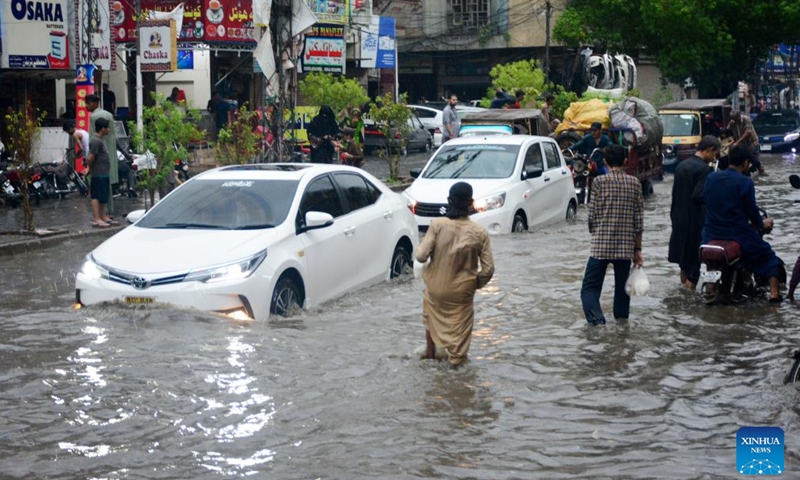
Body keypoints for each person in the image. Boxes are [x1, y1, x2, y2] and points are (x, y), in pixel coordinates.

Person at [415, 182, 495, 366]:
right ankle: (457, 367)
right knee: (460, 335)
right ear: (471, 203)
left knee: (430, 315)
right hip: (462, 293)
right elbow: (488, 269)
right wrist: (474, 284)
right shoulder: (480, 232)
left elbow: (420, 256)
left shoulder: (437, 225)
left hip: (436, 289)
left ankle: (430, 355)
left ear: (449, 201)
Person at [701, 146, 784, 302]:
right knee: (769, 257)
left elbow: (706, 200)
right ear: (746, 163)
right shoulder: (745, 182)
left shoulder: (711, 178)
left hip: (710, 235)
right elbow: (753, 213)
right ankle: (774, 294)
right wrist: (763, 224)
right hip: (738, 235)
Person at [581, 144, 645, 326]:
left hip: (601, 245)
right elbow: (638, 222)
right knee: (622, 291)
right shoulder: (635, 183)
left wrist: (595, 232)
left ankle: (597, 323)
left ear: (606, 162)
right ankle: (621, 328)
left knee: (589, 290)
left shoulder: (599, 182)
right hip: (625, 248)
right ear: (625, 161)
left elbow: (592, 215)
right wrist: (637, 249)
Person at [668, 135, 719, 290]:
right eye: (714, 154)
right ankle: (689, 300)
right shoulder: (704, 170)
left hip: (677, 217)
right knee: (694, 267)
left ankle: (683, 293)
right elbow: (699, 195)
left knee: (684, 263)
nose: (714, 158)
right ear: (709, 150)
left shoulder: (681, 165)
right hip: (694, 221)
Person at [86, 94, 119, 213]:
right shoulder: (109, 115)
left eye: (88, 103)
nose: (86, 106)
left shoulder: (94, 117)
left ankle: (100, 215)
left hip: (98, 158)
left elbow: (91, 138)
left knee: (97, 190)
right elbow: (115, 137)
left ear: (95, 103)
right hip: (109, 155)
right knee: (107, 186)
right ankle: (110, 211)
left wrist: (88, 162)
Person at [86, 118, 118, 228]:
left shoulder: (100, 140)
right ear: (103, 129)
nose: (109, 129)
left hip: (103, 172)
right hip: (98, 173)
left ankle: (102, 216)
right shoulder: (95, 141)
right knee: (96, 195)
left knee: (104, 195)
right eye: (107, 127)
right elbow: (91, 157)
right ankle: (96, 218)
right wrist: (88, 168)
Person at [728, 110, 765, 175]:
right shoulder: (732, 122)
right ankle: (746, 173)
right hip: (742, 145)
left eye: (736, 119)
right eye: (734, 120)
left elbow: (748, 133)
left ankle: (761, 171)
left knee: (755, 159)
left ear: (739, 116)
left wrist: (737, 143)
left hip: (752, 143)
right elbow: (728, 130)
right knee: (744, 160)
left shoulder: (746, 119)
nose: (735, 121)